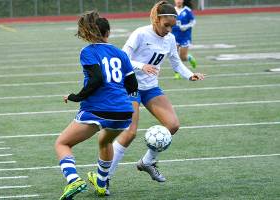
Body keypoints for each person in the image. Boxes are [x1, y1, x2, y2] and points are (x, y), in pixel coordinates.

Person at [107, 0, 204, 193]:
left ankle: (147, 162)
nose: (169, 30)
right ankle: (105, 177)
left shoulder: (169, 39)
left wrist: (189, 75)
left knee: (173, 125)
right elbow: (123, 57)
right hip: (130, 86)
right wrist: (142, 66)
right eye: (166, 25)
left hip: (151, 88)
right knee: (130, 132)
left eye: (172, 26)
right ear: (156, 19)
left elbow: (176, 63)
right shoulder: (141, 34)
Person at [54, 11, 138, 199]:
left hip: (97, 109)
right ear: (108, 33)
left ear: (89, 32)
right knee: (106, 141)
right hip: (124, 111)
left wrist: (75, 96)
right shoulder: (121, 53)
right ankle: (101, 185)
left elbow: (97, 79)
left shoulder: (88, 51)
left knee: (62, 143)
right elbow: (133, 85)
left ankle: (73, 180)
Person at [172, 0, 197, 80]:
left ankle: (189, 57)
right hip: (174, 36)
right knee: (174, 56)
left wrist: (186, 26)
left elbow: (193, 22)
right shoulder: (171, 10)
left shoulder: (187, 10)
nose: (178, 1)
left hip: (185, 36)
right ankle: (177, 73)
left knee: (183, 57)